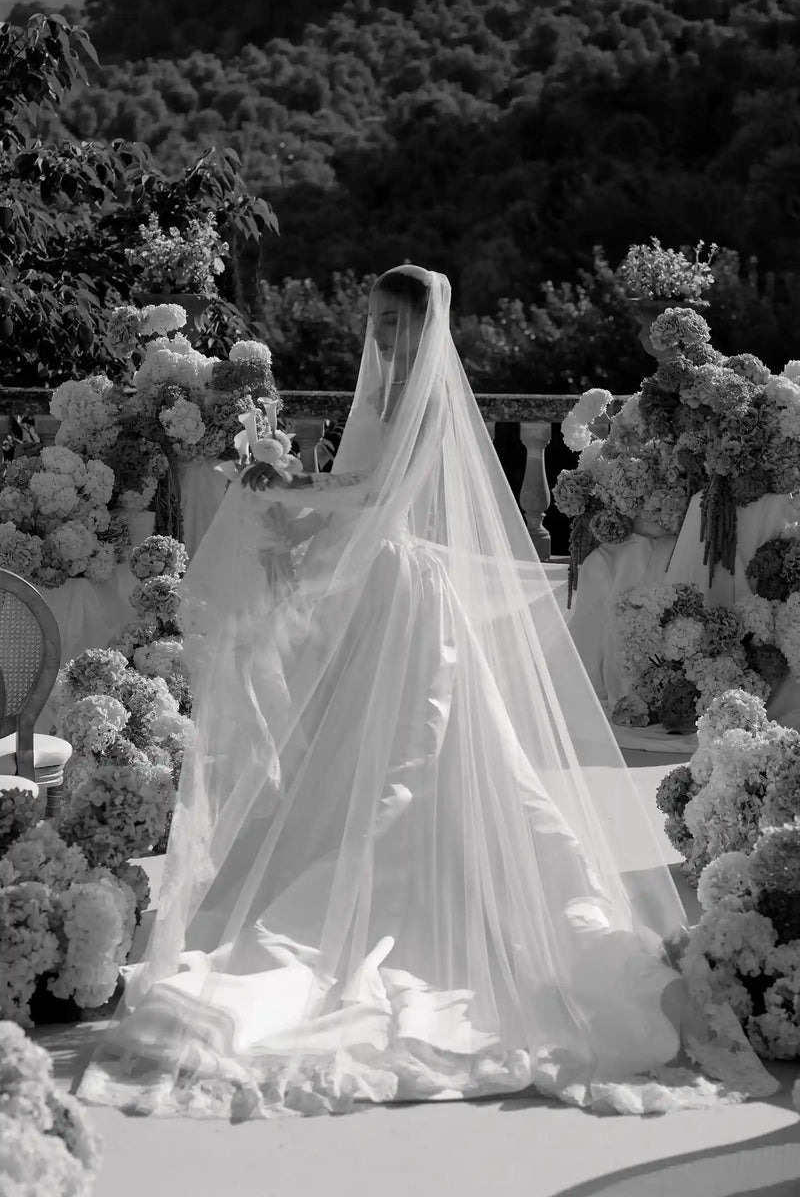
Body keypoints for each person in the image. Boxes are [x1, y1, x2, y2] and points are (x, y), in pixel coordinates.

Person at [77, 266, 775, 1119]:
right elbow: (353, 498)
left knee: (419, 750)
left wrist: (292, 488)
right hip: (367, 589)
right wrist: (293, 521)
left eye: (395, 323)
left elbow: (381, 495)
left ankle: (435, 907)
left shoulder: (433, 401)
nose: (382, 336)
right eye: (373, 320)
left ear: (426, 327)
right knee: (339, 758)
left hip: (403, 596)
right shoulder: (376, 396)